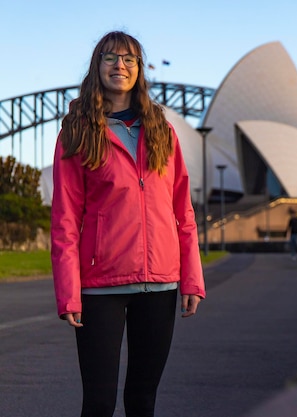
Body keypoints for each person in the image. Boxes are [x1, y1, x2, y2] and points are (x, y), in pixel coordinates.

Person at [50, 31, 206, 417]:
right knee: (99, 403)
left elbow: (183, 212)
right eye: (110, 58)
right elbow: (65, 221)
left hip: (160, 285)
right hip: (100, 285)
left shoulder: (163, 132)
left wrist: (192, 279)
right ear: (97, 66)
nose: (119, 65)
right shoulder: (76, 132)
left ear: (139, 70)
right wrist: (69, 293)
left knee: (142, 400)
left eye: (129, 59)